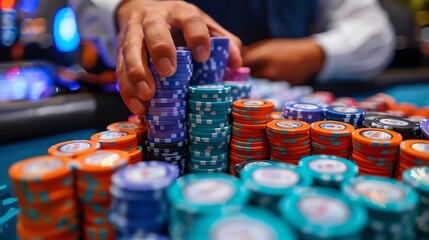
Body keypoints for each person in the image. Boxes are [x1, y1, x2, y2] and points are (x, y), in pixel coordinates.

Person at [70, 0, 395, 115]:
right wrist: (127, 5)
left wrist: (318, 53)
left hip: (287, 93)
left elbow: (375, 29)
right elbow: (84, 7)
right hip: (150, 97)